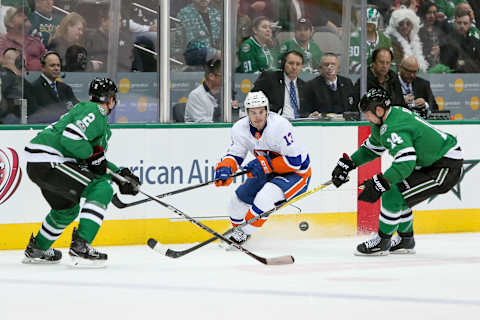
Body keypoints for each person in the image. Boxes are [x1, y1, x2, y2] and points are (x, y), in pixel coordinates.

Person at [22, 78, 141, 267]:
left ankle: (38, 248)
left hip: (41, 164)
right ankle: (81, 246)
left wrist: (120, 175)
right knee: (101, 188)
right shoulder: (95, 110)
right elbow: (72, 139)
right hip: (50, 161)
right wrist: (97, 161)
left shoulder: (91, 116)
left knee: (67, 210)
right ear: (111, 100)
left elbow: (94, 161)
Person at [331, 88, 463, 256]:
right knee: (398, 193)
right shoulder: (387, 119)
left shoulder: (394, 127)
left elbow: (405, 164)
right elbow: (372, 149)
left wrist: (381, 181)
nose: (367, 118)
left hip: (445, 167)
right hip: (430, 162)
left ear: (379, 110)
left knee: (393, 194)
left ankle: (382, 241)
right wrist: (349, 163)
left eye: (367, 114)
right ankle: (405, 240)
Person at [214, 90, 311, 247]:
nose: (257, 116)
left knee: (264, 198)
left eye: (261, 112)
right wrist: (226, 167)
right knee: (236, 202)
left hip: (296, 173)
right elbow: (236, 154)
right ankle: (239, 232)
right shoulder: (240, 128)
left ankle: (242, 235)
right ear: (247, 113)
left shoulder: (280, 126)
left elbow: (295, 162)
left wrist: (265, 164)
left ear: (267, 111)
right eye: (253, 113)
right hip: (268, 171)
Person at [250, 50, 308, 119]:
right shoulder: (269, 78)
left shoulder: (304, 86)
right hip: (275, 122)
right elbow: (253, 98)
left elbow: (306, 110)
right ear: (283, 64)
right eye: (291, 63)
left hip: (301, 124)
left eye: (298, 64)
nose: (294, 67)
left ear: (301, 67)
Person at [29, 51, 79, 123]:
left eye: (58, 65)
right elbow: (36, 113)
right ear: (43, 68)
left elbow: (76, 108)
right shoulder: (34, 88)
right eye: (52, 65)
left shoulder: (66, 88)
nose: (56, 68)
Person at [174, 0, 222, 66]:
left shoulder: (215, 13)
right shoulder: (185, 14)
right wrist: (215, 53)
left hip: (215, 62)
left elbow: (222, 38)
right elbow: (191, 44)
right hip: (194, 59)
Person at [349, 7, 393, 74]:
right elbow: (352, 65)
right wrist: (374, 71)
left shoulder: (386, 39)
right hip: (360, 79)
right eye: (367, 20)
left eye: (373, 20)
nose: (370, 24)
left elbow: (392, 64)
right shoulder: (354, 38)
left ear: (378, 22)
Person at [385, 6, 429, 72]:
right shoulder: (391, 41)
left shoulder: (414, 39)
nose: (405, 26)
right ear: (396, 25)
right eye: (401, 24)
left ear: (412, 25)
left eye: (408, 23)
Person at [440, 6, 480, 72]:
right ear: (455, 22)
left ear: (470, 24)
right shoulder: (446, 42)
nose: (462, 26)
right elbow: (446, 67)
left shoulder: (475, 42)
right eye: (459, 23)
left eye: (465, 23)